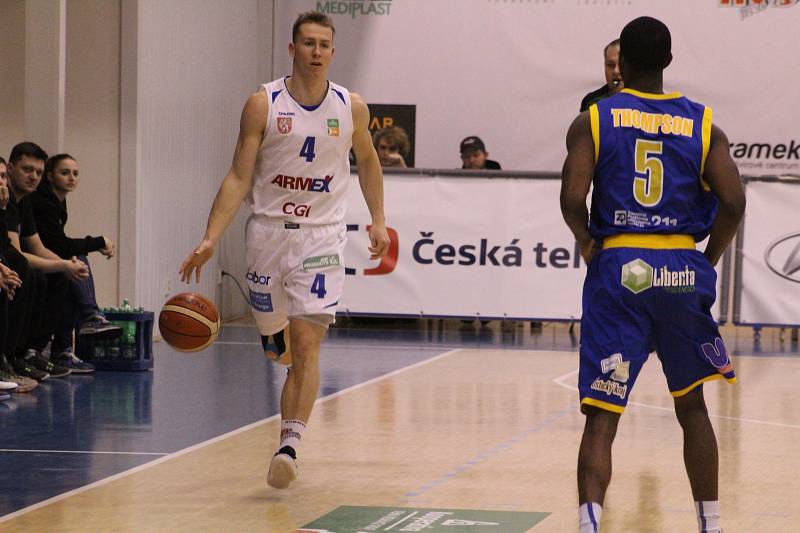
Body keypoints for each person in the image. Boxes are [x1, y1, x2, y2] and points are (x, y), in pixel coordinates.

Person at [179, 11, 390, 490]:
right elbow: (238, 176)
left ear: (334, 53)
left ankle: (289, 444)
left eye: (325, 45)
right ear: (292, 50)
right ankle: (277, 351)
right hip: (268, 234)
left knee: (308, 342)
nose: (317, 52)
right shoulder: (263, 103)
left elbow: (370, 162)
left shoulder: (350, 106)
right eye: (308, 43)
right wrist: (211, 236)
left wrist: (378, 220)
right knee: (280, 351)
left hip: (322, 236)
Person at [560, 17, 745, 533]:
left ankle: (590, 525)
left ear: (625, 64)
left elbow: (573, 198)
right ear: (667, 61)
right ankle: (710, 524)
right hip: (681, 268)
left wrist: (588, 243)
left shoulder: (595, 118)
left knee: (602, 413)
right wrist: (705, 260)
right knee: (693, 407)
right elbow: (734, 201)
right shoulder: (705, 122)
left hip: (621, 266)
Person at [29, 153, 121, 373]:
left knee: (72, 270)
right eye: (65, 172)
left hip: (44, 258)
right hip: (30, 260)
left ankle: (64, 350)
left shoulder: (58, 200)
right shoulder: (42, 201)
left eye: (75, 173)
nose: (71, 177)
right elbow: (58, 244)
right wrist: (97, 241)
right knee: (74, 263)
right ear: (50, 176)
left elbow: (57, 244)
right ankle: (90, 316)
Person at [5, 142, 89, 381]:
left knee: (56, 277)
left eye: (38, 172)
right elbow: (17, 253)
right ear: (11, 169)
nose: (33, 177)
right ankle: (12, 354)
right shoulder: (9, 200)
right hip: (9, 267)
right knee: (29, 275)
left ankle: (32, 351)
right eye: (27, 170)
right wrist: (63, 265)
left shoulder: (26, 202)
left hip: (15, 264)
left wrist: (68, 265)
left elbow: (37, 247)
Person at [579, 39, 623, 112]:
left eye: (621, 65)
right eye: (610, 65)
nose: (616, 71)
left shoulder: (645, 100)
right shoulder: (592, 101)